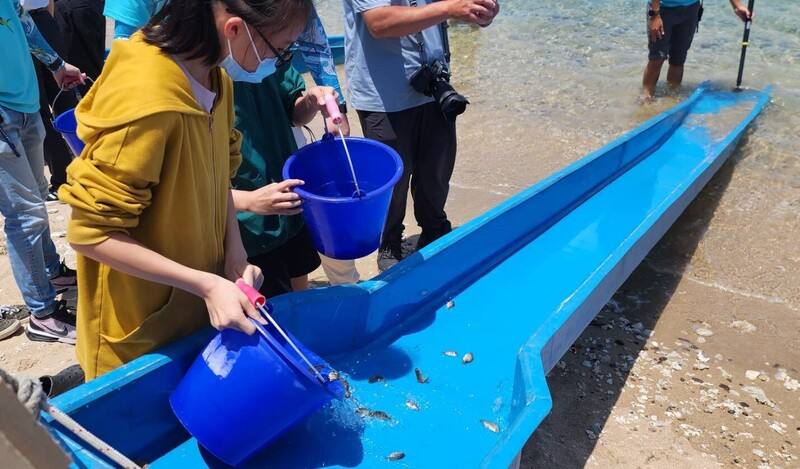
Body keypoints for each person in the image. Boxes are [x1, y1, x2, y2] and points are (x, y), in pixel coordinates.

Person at [58, 0, 316, 380]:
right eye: (280, 50)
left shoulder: (217, 80)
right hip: (141, 334)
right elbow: (90, 233)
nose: (278, 63)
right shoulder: (145, 102)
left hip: (194, 314)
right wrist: (205, 283)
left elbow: (218, 180)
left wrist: (235, 253)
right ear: (234, 30)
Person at [342, 0, 500, 271]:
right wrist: (451, 9)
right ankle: (389, 241)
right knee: (392, 181)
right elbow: (379, 23)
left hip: (434, 87)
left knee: (436, 172)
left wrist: (479, 11)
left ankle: (434, 229)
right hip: (384, 95)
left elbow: (456, 8)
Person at [103, 0, 352, 136]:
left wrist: (335, 105)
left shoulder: (231, 79)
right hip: (182, 88)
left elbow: (307, 30)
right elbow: (126, 49)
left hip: (246, 68)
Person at [0, 0, 84, 343]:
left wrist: (56, 64)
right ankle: (43, 314)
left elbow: (21, 19)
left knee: (36, 197)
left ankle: (51, 274)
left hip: (25, 103)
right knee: (25, 216)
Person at [231, 61, 337, 298]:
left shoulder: (267, 57)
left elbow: (294, 114)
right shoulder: (206, 76)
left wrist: (309, 101)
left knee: (300, 289)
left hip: (290, 200)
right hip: (248, 228)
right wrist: (247, 200)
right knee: (270, 305)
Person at [642, 0, 752, 100]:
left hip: (691, 9)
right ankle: (646, 99)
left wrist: (737, 6)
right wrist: (655, 14)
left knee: (678, 59)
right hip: (663, 8)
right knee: (657, 59)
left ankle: (672, 98)